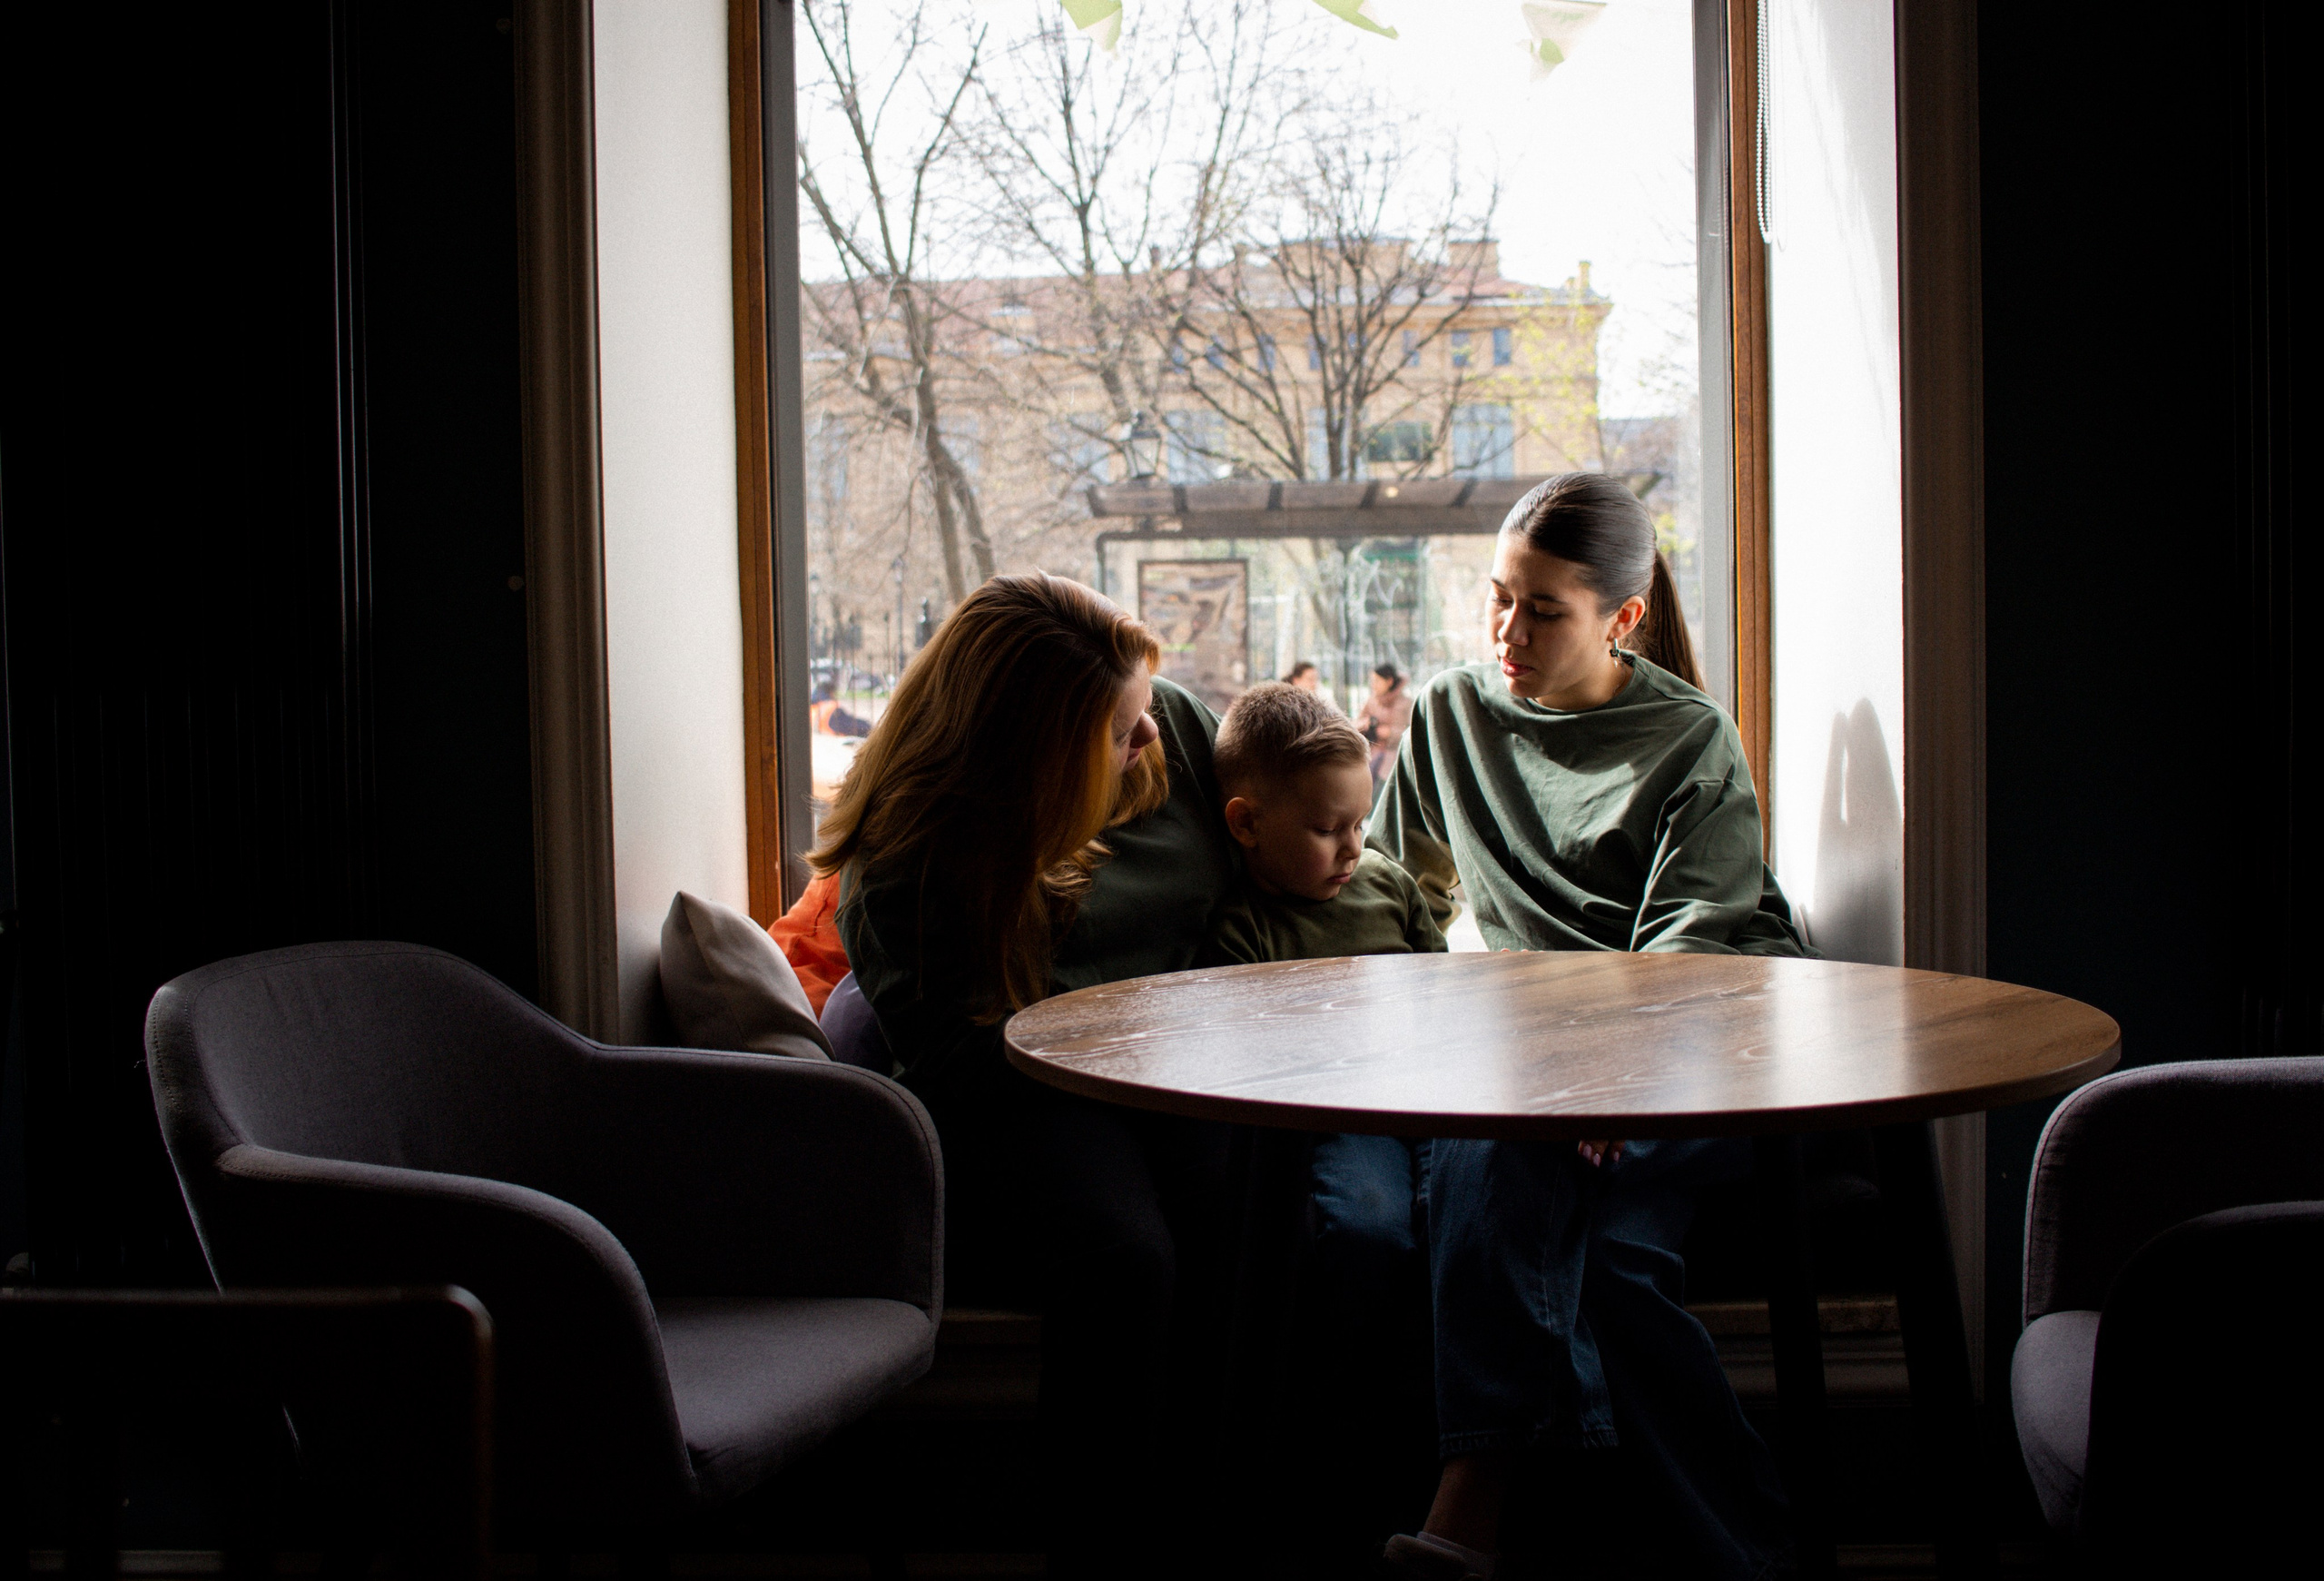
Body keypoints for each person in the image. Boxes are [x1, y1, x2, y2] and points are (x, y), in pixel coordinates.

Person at [1369, 473, 1806, 1581]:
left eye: (1543, 609)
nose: (1508, 633)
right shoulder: (1451, 714)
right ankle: (1755, 1566)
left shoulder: (1688, 734)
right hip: (1549, 1045)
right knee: (1603, 1266)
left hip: (1701, 1039)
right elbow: (1391, 892)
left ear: (1622, 617)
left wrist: (1607, 1073)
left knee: (1521, 1160)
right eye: (1497, 598)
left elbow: (1692, 946)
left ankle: (1468, 1508)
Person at [814, 574, 1240, 1577]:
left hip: (1190, 1048)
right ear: (1032, 764)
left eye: (1146, 709)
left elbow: (1271, 857)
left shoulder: (1169, 726)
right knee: (1125, 1258)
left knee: (1254, 1205)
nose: (1153, 738)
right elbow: (968, 1067)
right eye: (1121, 732)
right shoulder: (911, 865)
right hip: (1023, 1085)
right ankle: (1104, 1559)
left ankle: (1226, 1529)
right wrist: (1145, 1045)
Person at [1203, 682, 1445, 1561]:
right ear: (1245, 824)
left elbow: (1442, 991)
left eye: (1360, 823)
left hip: (1427, 1098)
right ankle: (1352, 1457)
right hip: (1341, 1119)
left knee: (1467, 1220)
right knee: (1368, 1231)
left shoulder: (1387, 886)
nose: (1352, 848)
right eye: (1325, 829)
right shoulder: (1243, 930)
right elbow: (1259, 1064)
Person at [1353, 660, 1413, 785]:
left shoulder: (1406, 703)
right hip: (1371, 756)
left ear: (1389, 681)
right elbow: (1355, 725)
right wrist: (1365, 724)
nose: (1373, 685)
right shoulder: (1372, 700)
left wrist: (1391, 733)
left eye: (1377, 681)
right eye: (1372, 681)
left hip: (1395, 759)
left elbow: (1413, 733)